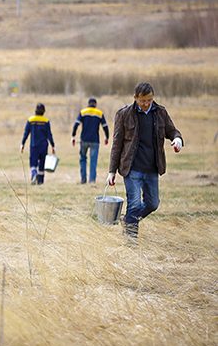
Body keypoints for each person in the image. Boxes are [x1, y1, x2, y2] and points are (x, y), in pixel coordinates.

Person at [107, 82, 183, 240]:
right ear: (135, 98)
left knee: (152, 204)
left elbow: (172, 130)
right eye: (142, 101)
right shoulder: (124, 114)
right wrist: (112, 171)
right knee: (134, 204)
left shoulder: (160, 112)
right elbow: (117, 144)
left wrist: (177, 139)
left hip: (152, 168)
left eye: (149, 100)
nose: (146, 104)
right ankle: (131, 242)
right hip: (131, 168)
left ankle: (128, 221)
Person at [71, 97, 109, 184]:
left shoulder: (83, 112)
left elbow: (76, 124)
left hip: (84, 140)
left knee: (83, 159)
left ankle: (83, 180)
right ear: (95, 104)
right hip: (95, 140)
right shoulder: (99, 113)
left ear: (88, 104)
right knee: (93, 161)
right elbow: (105, 126)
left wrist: (73, 136)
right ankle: (92, 180)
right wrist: (107, 137)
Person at [21, 103, 56, 185]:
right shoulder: (46, 121)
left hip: (34, 145)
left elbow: (26, 133)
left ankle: (34, 174)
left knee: (33, 162)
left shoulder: (31, 120)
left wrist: (22, 143)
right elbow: (49, 134)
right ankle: (40, 181)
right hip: (44, 146)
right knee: (42, 163)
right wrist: (53, 145)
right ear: (44, 111)